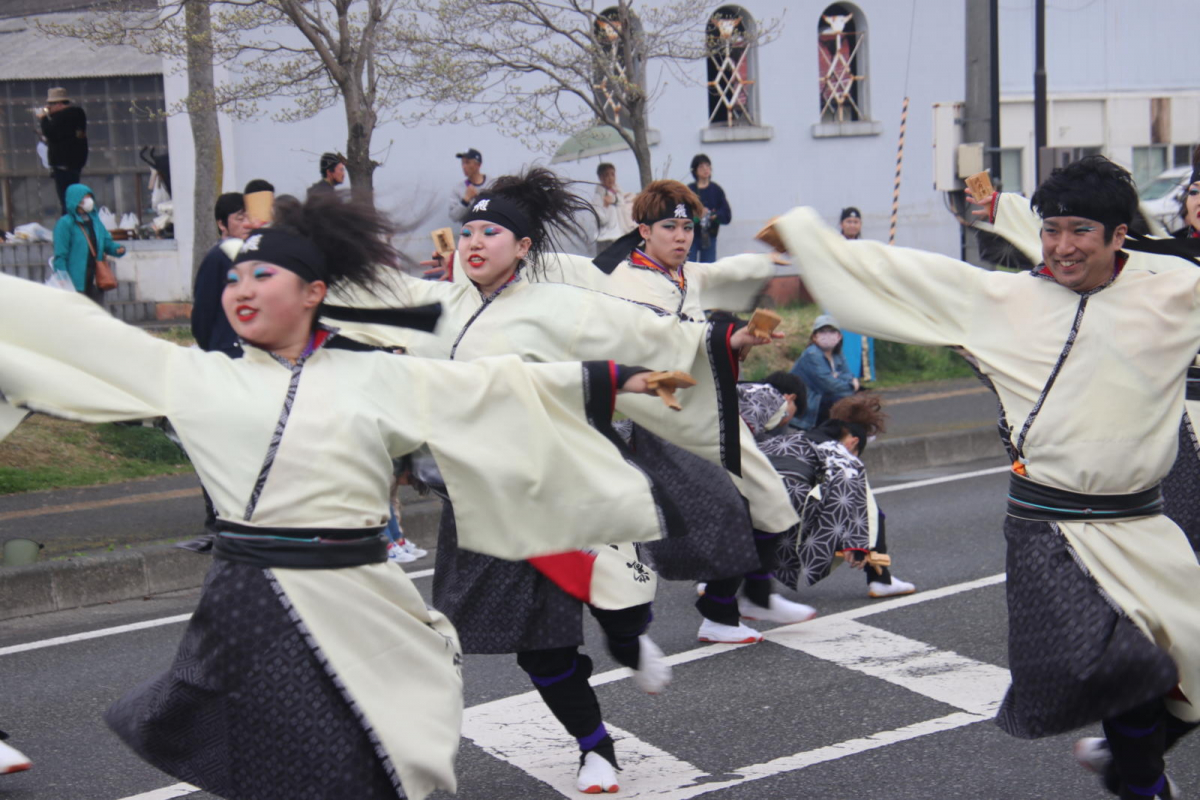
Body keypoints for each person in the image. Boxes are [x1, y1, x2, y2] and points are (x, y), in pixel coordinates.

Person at [0, 191, 689, 800]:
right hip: (250, 600)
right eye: (234, 277)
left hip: (361, 592)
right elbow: (84, 335)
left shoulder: (375, 377)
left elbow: (492, 385)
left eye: (263, 275)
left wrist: (619, 378)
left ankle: (605, 700)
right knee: (288, 751)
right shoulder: (197, 376)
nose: (241, 289)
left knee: (379, 749)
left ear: (313, 294)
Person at [325, 168, 777, 793]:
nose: (474, 242)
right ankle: (595, 746)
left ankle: (630, 640)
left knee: (620, 603)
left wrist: (726, 335)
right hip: (485, 502)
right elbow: (360, 301)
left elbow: (644, 328)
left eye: (491, 233)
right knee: (538, 648)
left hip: (564, 484)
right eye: (468, 232)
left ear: (523, 246)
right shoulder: (440, 305)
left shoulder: (558, 304)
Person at [767, 155, 1200, 800]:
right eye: (1051, 230)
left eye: (1081, 231)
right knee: (1124, 669)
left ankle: (1127, 765)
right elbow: (910, 275)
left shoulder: (1175, 289)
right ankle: (1142, 782)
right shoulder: (1009, 300)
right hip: (1052, 530)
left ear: (1119, 235)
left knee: (1189, 669)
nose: (1061, 246)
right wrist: (809, 239)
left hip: (1141, 522)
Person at [191, 192, 251, 356]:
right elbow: (204, 310)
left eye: (249, 217)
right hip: (226, 349)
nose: (247, 224)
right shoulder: (218, 257)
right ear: (221, 224)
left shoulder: (253, 255)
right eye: (240, 218)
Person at [52, 183, 125, 303]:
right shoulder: (65, 223)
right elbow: (60, 253)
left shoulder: (95, 221)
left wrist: (117, 249)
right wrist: (61, 276)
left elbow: (106, 241)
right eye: (85, 198)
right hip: (75, 279)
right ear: (75, 200)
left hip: (95, 277)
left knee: (96, 309)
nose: (89, 201)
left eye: (90, 197)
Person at [791, 314, 858, 429]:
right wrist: (852, 386)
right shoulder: (812, 354)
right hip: (809, 406)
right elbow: (829, 385)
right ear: (814, 337)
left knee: (861, 398)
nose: (827, 335)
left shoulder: (838, 355)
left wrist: (846, 383)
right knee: (847, 401)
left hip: (826, 399)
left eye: (832, 331)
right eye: (822, 331)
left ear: (839, 336)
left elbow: (848, 375)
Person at [836, 207, 875, 381]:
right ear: (841, 224)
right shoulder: (834, 245)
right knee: (843, 339)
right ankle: (844, 376)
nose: (852, 225)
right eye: (849, 221)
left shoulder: (864, 247)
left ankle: (861, 376)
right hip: (840, 298)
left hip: (861, 297)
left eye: (856, 222)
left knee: (862, 338)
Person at [37, 87, 87, 215]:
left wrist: (43, 118)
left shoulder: (62, 117)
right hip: (76, 163)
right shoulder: (78, 114)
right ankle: (73, 220)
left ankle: (69, 223)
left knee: (66, 200)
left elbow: (50, 132)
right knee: (72, 198)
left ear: (59, 104)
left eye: (51, 104)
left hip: (63, 164)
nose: (48, 107)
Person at [687, 154, 731, 262]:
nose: (705, 169)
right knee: (689, 266)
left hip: (709, 235)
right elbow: (681, 212)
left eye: (707, 166)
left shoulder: (716, 190)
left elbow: (726, 214)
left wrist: (714, 216)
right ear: (695, 170)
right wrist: (696, 215)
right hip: (691, 236)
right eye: (701, 166)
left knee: (708, 267)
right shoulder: (689, 190)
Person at [592, 162, 635, 255]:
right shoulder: (598, 197)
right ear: (600, 178)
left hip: (619, 236)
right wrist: (606, 207)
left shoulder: (617, 192)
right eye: (606, 175)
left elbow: (622, 204)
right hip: (606, 239)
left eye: (612, 174)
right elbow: (601, 219)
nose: (610, 178)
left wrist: (614, 200)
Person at [448, 147, 489, 226]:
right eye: (462, 163)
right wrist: (465, 200)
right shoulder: (458, 189)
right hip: (469, 230)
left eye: (467, 162)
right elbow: (454, 217)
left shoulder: (491, 184)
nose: (464, 166)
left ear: (478, 165)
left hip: (489, 229)